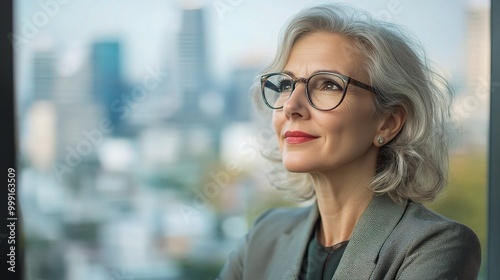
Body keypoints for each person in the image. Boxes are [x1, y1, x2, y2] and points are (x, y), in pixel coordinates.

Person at [218, 4, 481, 280]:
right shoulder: (264, 236)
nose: (291, 107)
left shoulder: (435, 245)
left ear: (389, 122)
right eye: (286, 85)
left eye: (328, 85)